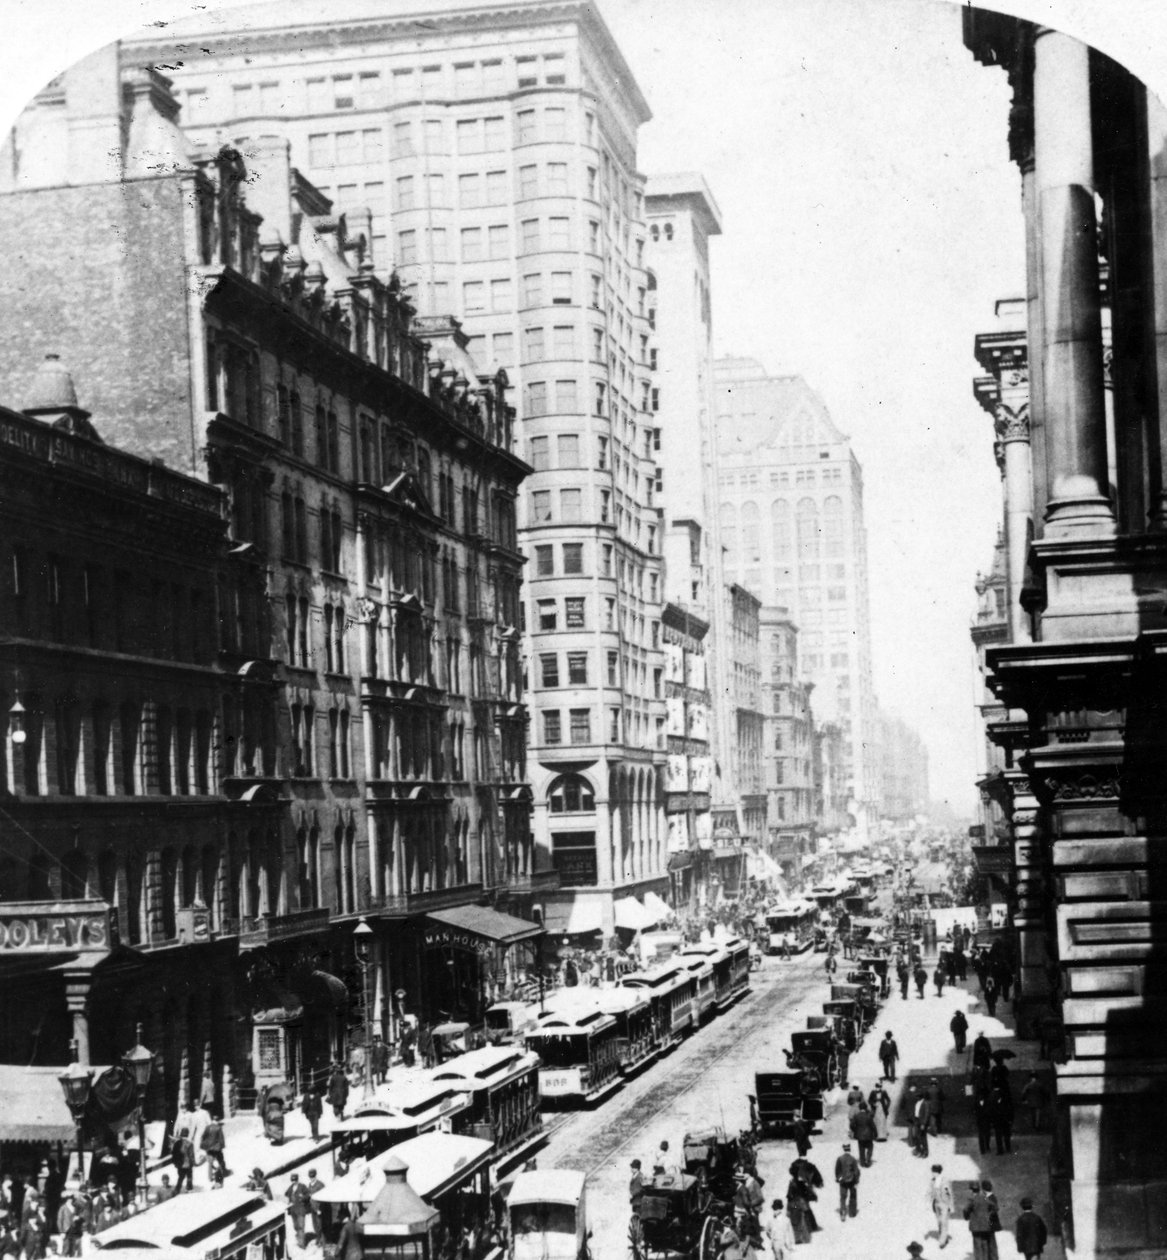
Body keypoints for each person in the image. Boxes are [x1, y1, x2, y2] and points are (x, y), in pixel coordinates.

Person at [963, 1183, 998, 1260]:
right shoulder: (985, 1198)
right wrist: (989, 1214)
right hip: (985, 1226)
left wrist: (967, 1217)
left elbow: (965, 1210)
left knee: (977, 1246)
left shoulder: (972, 1199)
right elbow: (995, 1207)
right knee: (985, 1245)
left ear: (972, 1190)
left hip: (975, 1227)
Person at [928, 1165, 953, 1250]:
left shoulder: (944, 1181)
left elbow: (948, 1193)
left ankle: (942, 1241)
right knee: (939, 1221)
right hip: (936, 1203)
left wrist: (950, 1205)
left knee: (943, 1222)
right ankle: (943, 1236)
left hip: (944, 1204)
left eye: (934, 1172)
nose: (933, 1174)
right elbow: (931, 1192)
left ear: (937, 1172)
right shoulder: (933, 1181)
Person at [200, 1113, 228, 1185]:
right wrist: (222, 1146)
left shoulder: (208, 1127)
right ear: (217, 1120)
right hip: (216, 1148)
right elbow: (221, 1139)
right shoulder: (218, 1128)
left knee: (210, 1163)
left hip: (209, 1148)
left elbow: (203, 1136)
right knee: (220, 1160)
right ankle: (223, 1173)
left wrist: (204, 1145)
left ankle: (210, 1177)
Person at [834, 1144, 860, 1220]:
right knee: (853, 1196)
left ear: (844, 1149)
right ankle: (852, 1213)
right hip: (852, 1180)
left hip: (843, 1181)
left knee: (843, 1197)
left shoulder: (840, 1158)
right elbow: (856, 1171)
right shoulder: (853, 1159)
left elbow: (837, 1171)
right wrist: (856, 1181)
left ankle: (843, 1213)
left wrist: (839, 1179)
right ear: (849, 1149)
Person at [286, 1173, 311, 1249]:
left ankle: (302, 1244)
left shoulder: (302, 1186)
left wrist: (302, 1198)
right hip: (293, 1211)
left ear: (297, 1180)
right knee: (296, 1226)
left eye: (295, 1180)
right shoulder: (290, 1188)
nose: (294, 1181)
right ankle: (299, 1238)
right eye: (293, 1180)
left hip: (301, 1210)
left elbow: (308, 1195)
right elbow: (286, 1195)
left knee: (301, 1226)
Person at [849, 1101, 876, 1168]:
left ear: (859, 1108)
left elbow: (851, 1125)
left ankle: (862, 1162)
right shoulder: (868, 1116)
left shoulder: (856, 1116)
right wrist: (875, 1133)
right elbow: (873, 1126)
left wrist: (855, 1130)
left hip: (859, 1135)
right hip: (868, 1135)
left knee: (861, 1148)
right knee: (870, 1147)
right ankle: (868, 1159)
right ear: (866, 1107)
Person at [306, 1168, 325, 1243]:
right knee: (315, 1225)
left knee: (320, 1225)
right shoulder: (310, 1185)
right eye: (310, 1177)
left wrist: (320, 1209)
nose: (312, 1179)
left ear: (315, 1176)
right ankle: (318, 1238)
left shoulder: (320, 1185)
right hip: (313, 1208)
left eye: (313, 1177)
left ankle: (321, 1240)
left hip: (319, 1208)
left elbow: (324, 1197)